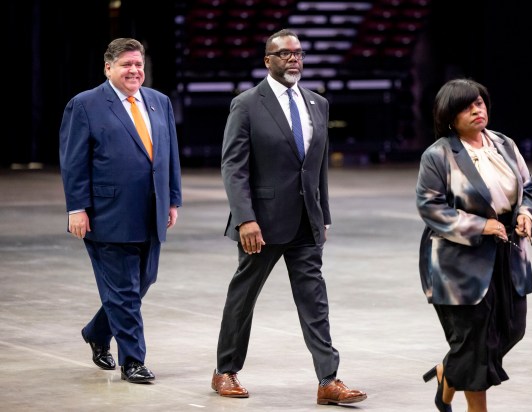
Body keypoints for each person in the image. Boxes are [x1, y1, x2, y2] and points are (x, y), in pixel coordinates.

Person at [211, 28, 367, 406]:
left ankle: (328, 379)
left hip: (305, 222)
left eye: (298, 53)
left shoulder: (318, 103)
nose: (293, 59)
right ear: (268, 61)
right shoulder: (247, 104)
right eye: (284, 54)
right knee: (243, 296)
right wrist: (245, 218)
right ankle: (225, 371)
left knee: (314, 300)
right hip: (260, 224)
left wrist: (323, 216)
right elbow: (234, 167)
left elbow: (317, 169)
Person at [59, 38, 182, 384]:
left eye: (139, 64)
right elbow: (73, 162)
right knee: (125, 292)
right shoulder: (85, 105)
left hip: (151, 211)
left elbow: (169, 155)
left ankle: (97, 331)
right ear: (108, 67)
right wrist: (76, 208)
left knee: (142, 281)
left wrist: (173, 198)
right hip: (107, 214)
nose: (134, 71)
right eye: (126, 64)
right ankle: (133, 361)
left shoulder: (159, 102)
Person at [416, 78, 532, 412]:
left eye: (480, 103)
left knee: (512, 330)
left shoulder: (504, 144)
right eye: (466, 106)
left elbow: (528, 187)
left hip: (509, 255)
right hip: (459, 263)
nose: (476, 110)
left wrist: (526, 213)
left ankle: (448, 372)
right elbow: (431, 208)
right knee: (476, 346)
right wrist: (481, 225)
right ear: (450, 116)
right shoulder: (438, 155)